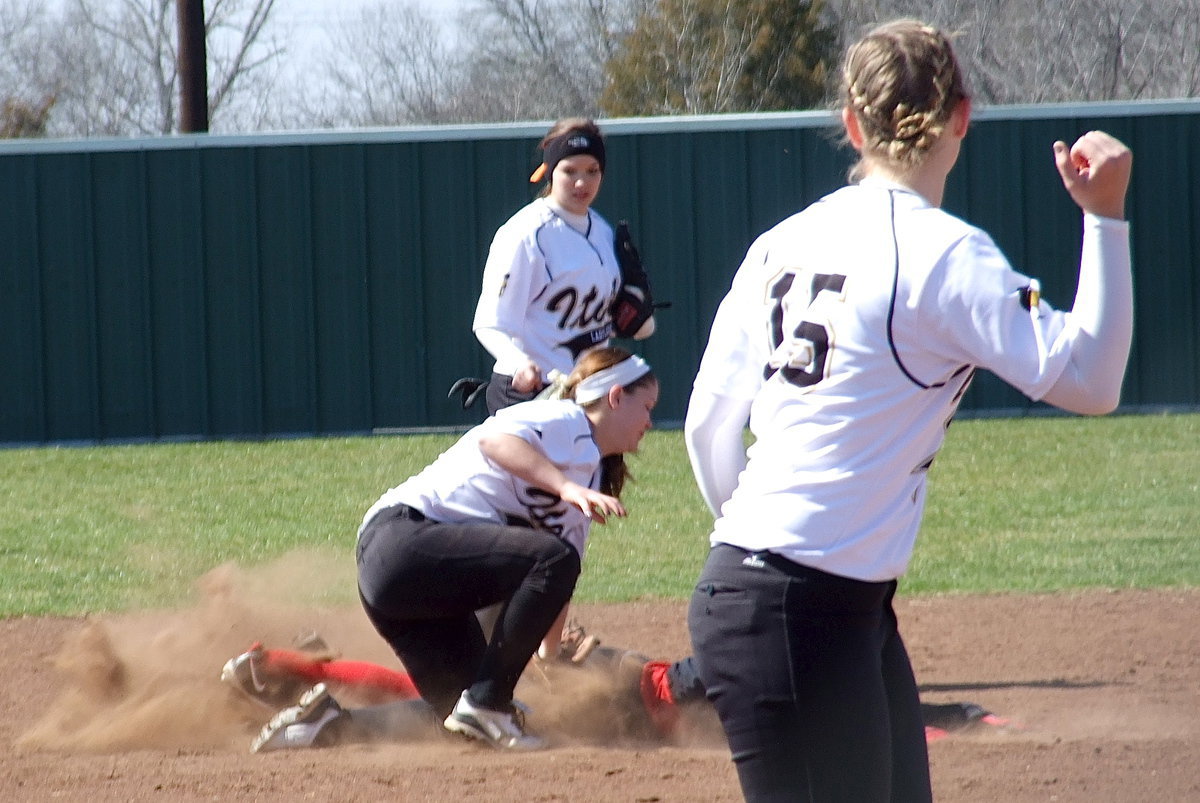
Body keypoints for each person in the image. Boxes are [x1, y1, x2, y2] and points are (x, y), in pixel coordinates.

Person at [682, 19, 1133, 803]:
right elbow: (1093, 380)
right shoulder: (945, 254)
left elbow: (707, 428)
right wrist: (1105, 215)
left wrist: (759, 552)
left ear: (851, 126)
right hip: (802, 610)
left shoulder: (782, 241)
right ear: (963, 116)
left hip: (805, 601)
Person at [252, 346, 659, 753]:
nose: (650, 422)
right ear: (615, 396)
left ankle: (324, 726)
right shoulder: (564, 418)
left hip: (413, 582)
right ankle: (489, 705)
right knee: (492, 693)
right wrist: (566, 488)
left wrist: (549, 658)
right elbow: (494, 441)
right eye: (646, 406)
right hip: (402, 542)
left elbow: (559, 583)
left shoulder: (587, 471)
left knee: (461, 717)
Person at [470, 117, 655, 416]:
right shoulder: (526, 233)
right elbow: (489, 324)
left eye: (592, 171)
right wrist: (518, 363)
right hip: (530, 391)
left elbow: (626, 321)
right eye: (569, 171)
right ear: (550, 172)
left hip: (587, 391)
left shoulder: (603, 232)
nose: (582, 182)